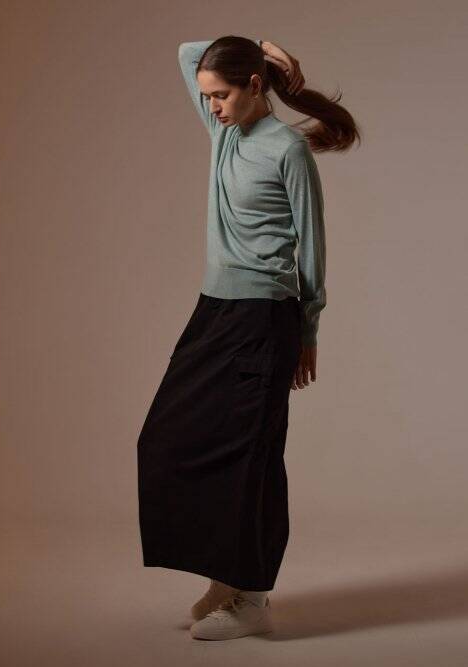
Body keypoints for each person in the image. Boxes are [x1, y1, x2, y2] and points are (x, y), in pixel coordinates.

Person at [137, 36, 360, 641]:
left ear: (254, 87)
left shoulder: (288, 149)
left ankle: (253, 595)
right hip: (214, 310)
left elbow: (312, 246)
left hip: (266, 317)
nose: (211, 106)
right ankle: (226, 574)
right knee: (164, 441)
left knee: (250, 456)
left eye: (221, 95)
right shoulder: (225, 133)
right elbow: (187, 51)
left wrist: (308, 330)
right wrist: (266, 48)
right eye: (207, 96)